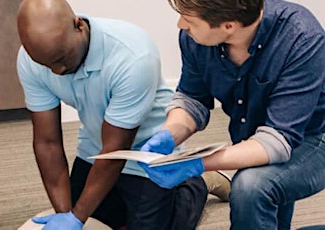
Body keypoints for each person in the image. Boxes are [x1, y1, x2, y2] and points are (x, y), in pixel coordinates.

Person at [16, 0, 231, 229]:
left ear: (78, 25)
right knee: (99, 218)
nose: (57, 71)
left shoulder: (133, 55)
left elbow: (116, 150)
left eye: (61, 59)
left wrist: (77, 217)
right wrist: (66, 214)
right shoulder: (32, 59)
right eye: (47, 64)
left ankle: (198, 184)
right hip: (95, 151)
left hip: (147, 155)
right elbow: (47, 142)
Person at [138, 0, 325, 229]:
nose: (181, 24)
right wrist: (169, 133)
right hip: (255, 137)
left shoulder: (301, 37)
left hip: (313, 138)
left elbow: (278, 140)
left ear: (229, 26)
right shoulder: (195, 38)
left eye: (189, 19)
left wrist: (199, 164)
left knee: (251, 187)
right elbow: (192, 98)